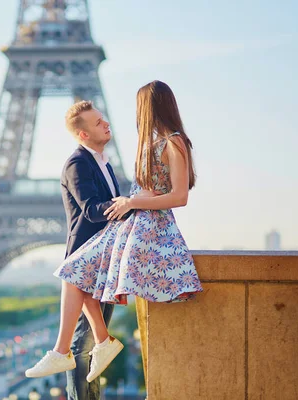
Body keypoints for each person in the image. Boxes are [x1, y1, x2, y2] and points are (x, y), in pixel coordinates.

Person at [26, 80, 203, 393]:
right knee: (72, 272)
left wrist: (133, 201)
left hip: (142, 227)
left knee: (71, 271)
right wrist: (134, 201)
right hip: (128, 226)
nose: (109, 121)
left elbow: (177, 196)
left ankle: (66, 350)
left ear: (149, 108)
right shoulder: (141, 146)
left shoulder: (171, 142)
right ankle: (89, 345)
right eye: (98, 121)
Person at [24, 99, 126, 399]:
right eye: (97, 122)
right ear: (82, 134)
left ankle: (92, 346)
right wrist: (129, 205)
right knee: (81, 345)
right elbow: (93, 210)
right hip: (86, 256)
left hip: (103, 258)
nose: (105, 124)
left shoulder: (102, 163)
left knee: (90, 345)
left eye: (103, 119)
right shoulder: (78, 163)